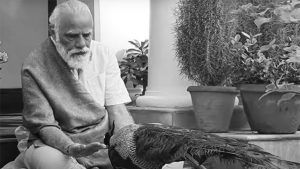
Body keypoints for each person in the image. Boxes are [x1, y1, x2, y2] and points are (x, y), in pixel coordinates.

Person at [2, 0, 134, 168]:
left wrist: (130, 146)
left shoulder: (103, 53)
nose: (81, 44)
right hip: (52, 144)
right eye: (72, 36)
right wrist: (72, 148)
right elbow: (44, 125)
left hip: (98, 144)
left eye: (87, 35)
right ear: (53, 31)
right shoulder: (34, 66)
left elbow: (117, 110)